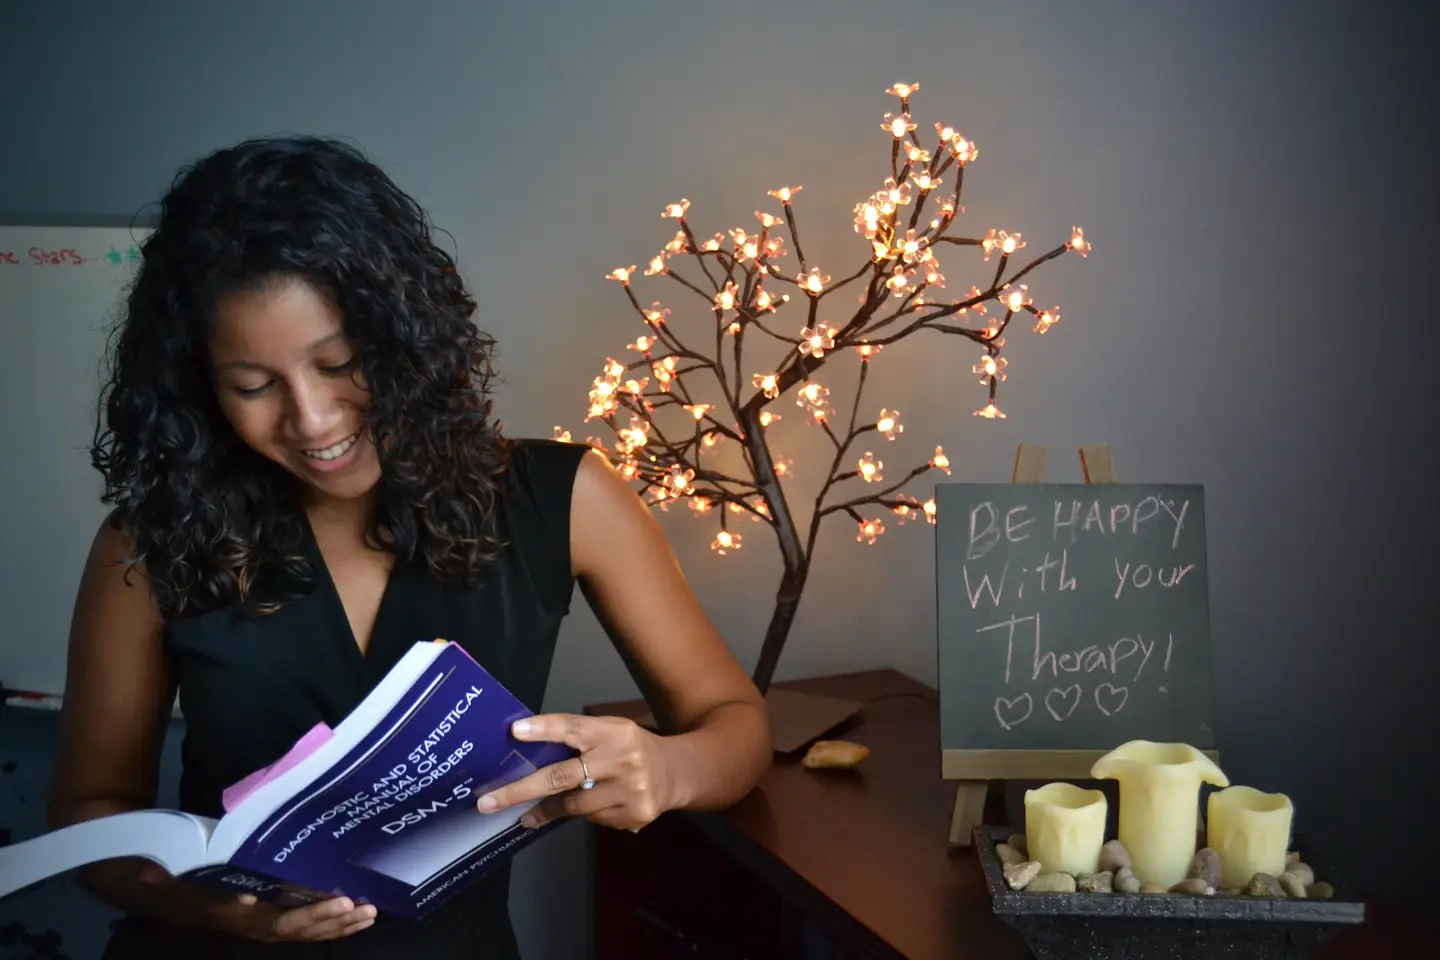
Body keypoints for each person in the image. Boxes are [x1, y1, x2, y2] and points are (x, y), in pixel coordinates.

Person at [45, 135, 773, 959]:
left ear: (405, 339)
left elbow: (736, 725)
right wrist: (223, 913)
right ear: (198, 385)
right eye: (253, 386)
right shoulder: (146, 546)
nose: (312, 420)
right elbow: (88, 813)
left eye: (341, 363)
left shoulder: (564, 500)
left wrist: (666, 771)